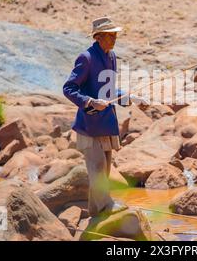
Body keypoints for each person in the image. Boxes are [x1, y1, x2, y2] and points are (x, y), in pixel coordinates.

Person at [62, 16, 145, 217]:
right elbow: (68, 89)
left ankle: (94, 212)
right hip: (89, 126)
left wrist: (128, 98)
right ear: (98, 37)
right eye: (109, 35)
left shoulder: (111, 56)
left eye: (115, 34)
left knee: (105, 169)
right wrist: (90, 102)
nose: (114, 38)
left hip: (107, 123)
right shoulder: (86, 58)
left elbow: (108, 91)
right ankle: (105, 205)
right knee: (97, 167)